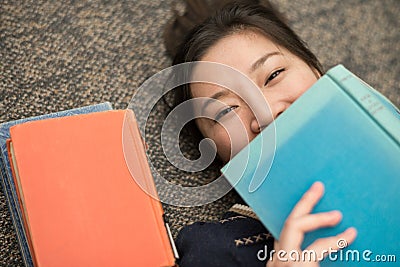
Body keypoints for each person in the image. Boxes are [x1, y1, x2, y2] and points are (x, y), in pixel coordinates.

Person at [164, 1, 357, 266]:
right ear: (214, 152)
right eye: (226, 111)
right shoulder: (216, 250)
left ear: (316, 70)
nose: (264, 114)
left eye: (274, 74)